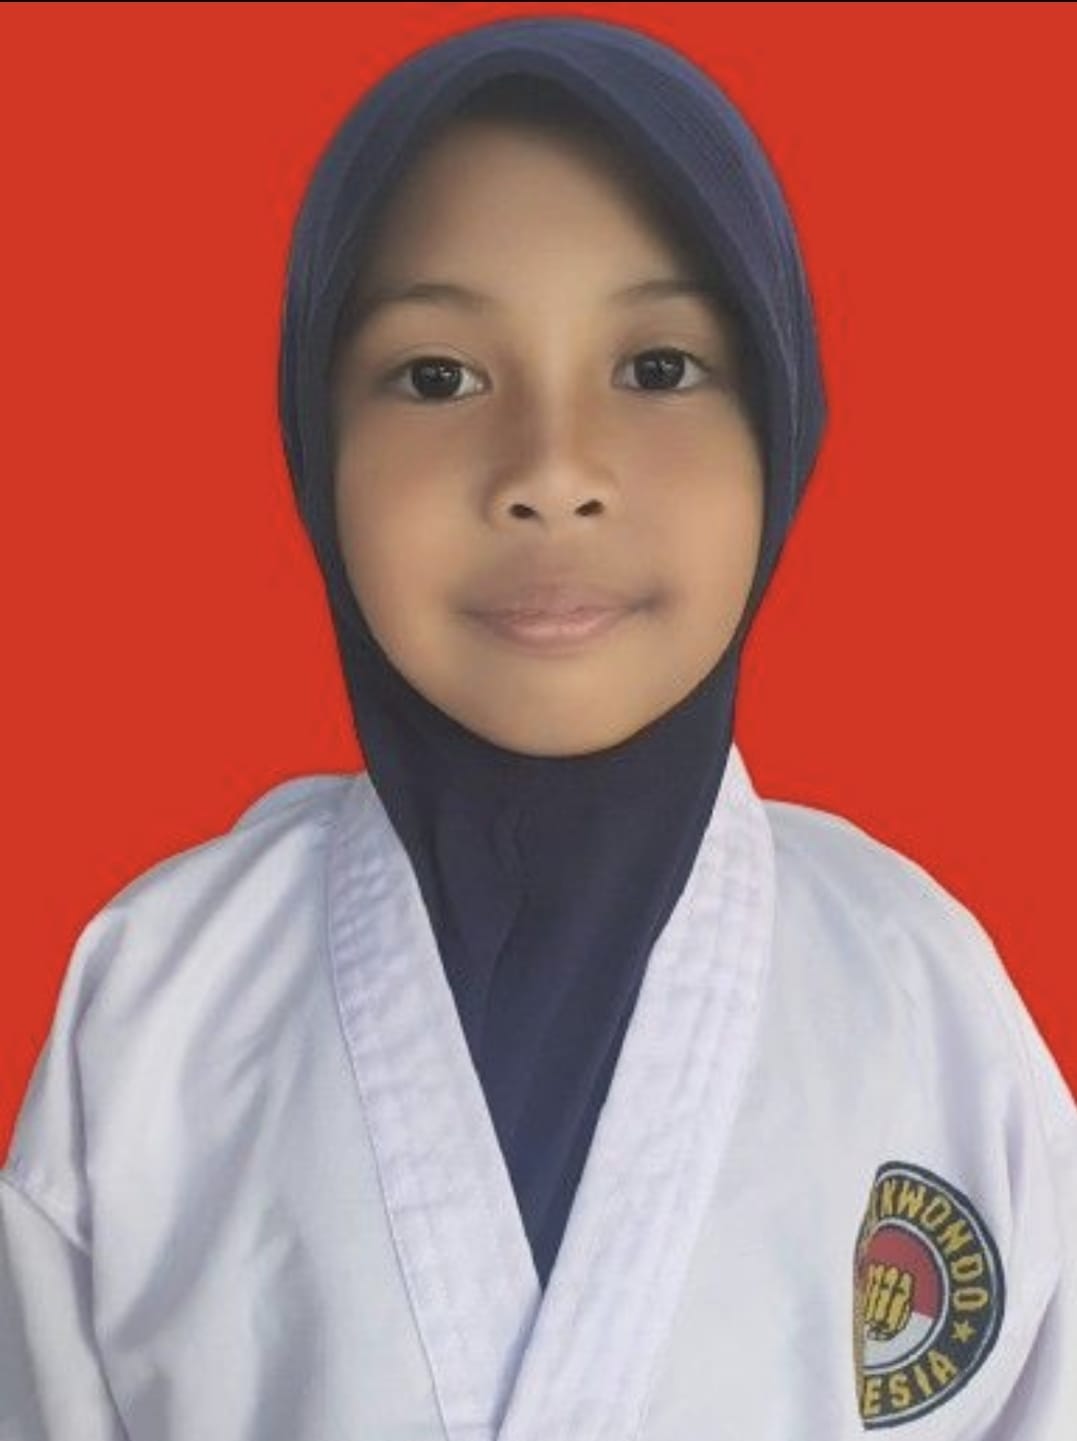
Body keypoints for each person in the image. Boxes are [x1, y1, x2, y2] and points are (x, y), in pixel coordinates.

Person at [1, 13, 1073, 1440]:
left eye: (659, 368)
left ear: (780, 418)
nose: (552, 473)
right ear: (317, 441)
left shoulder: (925, 994)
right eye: (437, 376)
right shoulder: (156, 1003)